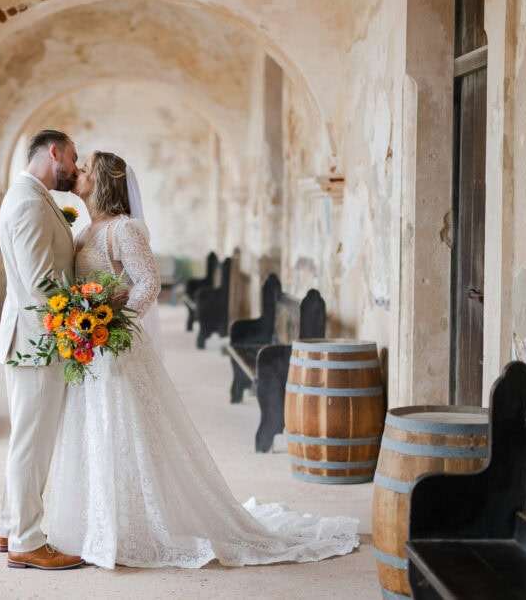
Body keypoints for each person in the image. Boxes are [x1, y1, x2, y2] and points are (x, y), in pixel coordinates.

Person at [43, 151, 360, 569]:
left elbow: (148, 284)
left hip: (116, 348)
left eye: (85, 168)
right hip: (91, 350)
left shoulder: (124, 230)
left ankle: (131, 527)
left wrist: (111, 322)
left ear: (102, 180)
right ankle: (99, 524)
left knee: (123, 430)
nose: (77, 172)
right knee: (96, 431)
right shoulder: (85, 232)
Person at [0, 129, 85, 570]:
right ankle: (26, 541)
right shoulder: (28, 201)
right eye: (72, 157)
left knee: (27, 439)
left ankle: (10, 525)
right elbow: (39, 282)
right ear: (54, 152)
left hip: (33, 336)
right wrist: (83, 312)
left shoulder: (32, 195)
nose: (74, 166)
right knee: (32, 443)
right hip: (38, 340)